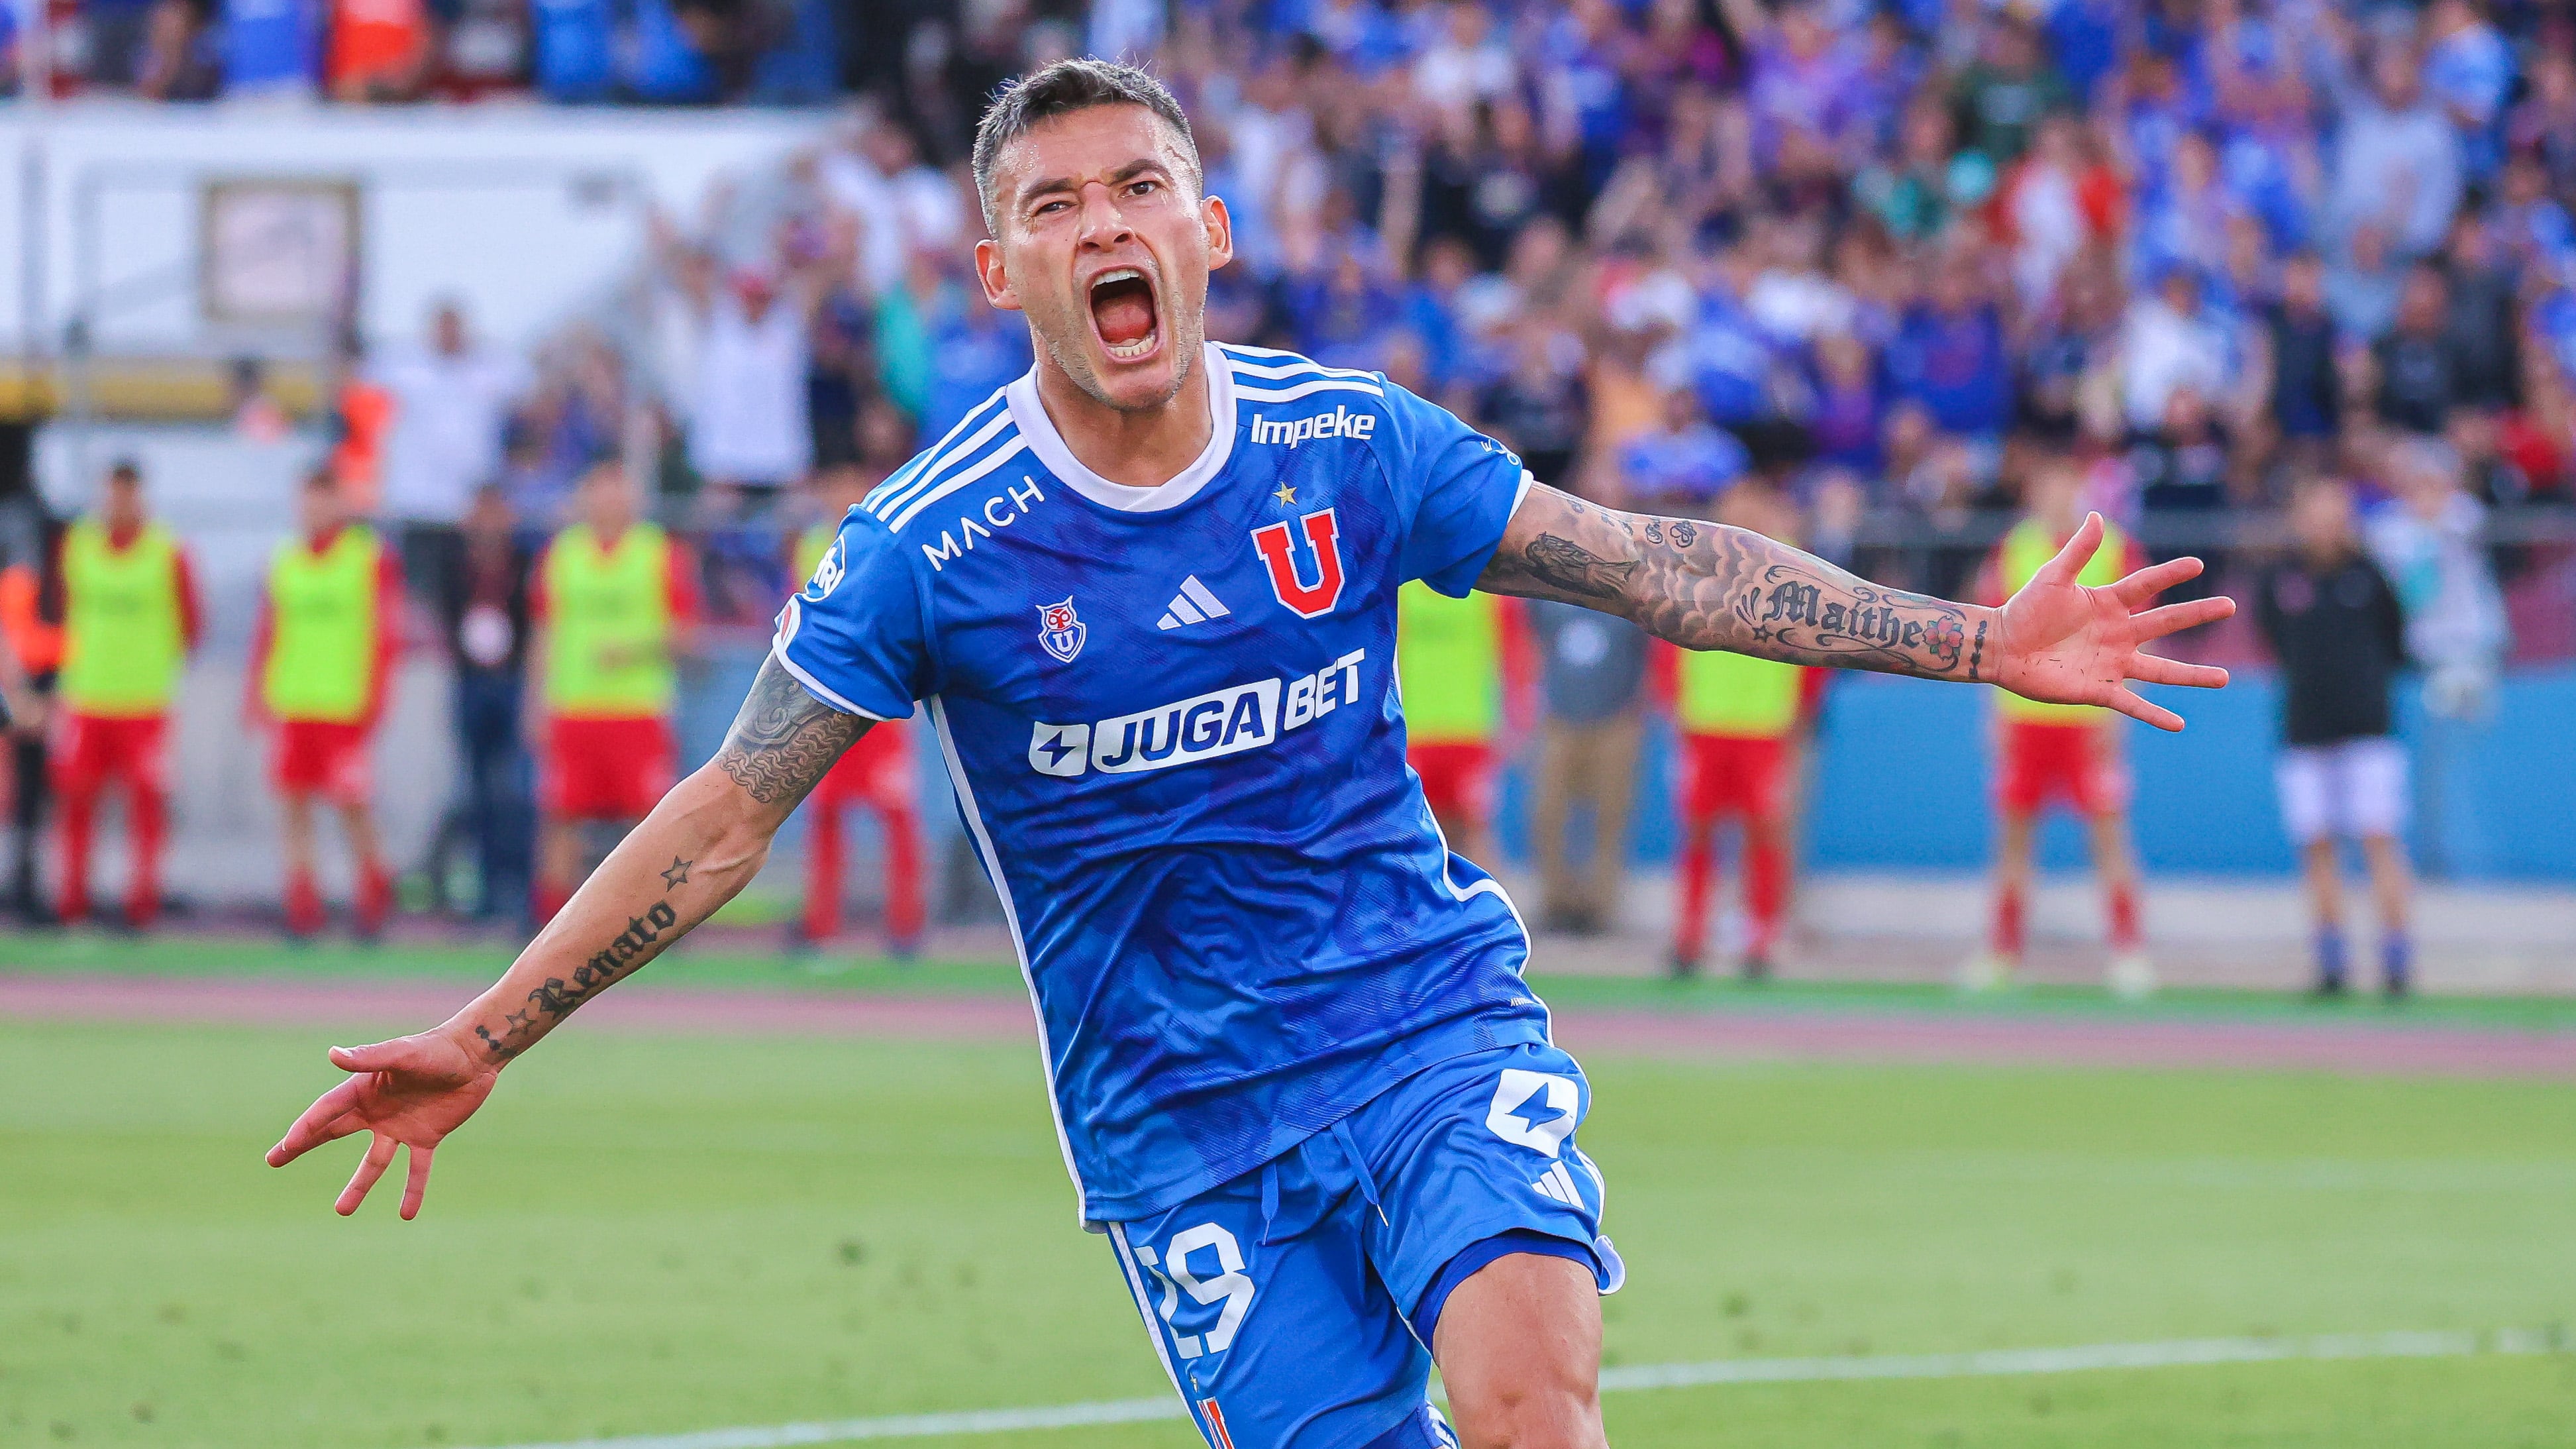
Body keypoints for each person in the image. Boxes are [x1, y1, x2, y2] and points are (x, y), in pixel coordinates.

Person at [269, 62, 2231, 1449]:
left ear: (1204, 228)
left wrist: (1978, 640)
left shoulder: (1350, 444)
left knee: (1532, 1404)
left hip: (1420, 1023)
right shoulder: (928, 547)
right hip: (1179, 1118)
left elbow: (1645, 567)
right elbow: (725, 814)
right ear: (995, 272)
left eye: (1134, 190)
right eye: (1050, 207)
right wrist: (494, 1027)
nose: (1099, 226)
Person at [1963, 458, 2155, 998]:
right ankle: (2003, 951)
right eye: (2047, 485)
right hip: (2026, 719)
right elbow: (1988, 637)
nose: (2057, 495)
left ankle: (2127, 951)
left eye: (2067, 485)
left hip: (2086, 719)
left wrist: (2123, 713)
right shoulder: (2015, 546)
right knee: (2013, 843)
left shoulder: (2115, 549)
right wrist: (1992, 714)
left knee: (2109, 839)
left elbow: (2141, 636)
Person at [2255, 477, 2414, 997]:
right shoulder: (2281, 579)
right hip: (2304, 730)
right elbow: (2274, 639)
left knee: (2377, 838)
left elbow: (2395, 640)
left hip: (2367, 729)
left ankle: (2394, 960)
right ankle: (2330, 961)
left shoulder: (2370, 576)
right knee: (2316, 844)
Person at [527, 460, 700, 924]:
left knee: (650, 826)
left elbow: (686, 637)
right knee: (560, 819)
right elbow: (544, 631)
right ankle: (552, 923)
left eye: (617, 489)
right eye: (598, 489)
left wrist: (634, 651)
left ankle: (654, 920)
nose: (608, 499)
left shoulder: (658, 552)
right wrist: (535, 702)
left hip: (637, 709)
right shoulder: (562, 553)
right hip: (575, 707)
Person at [246, 468, 405, 939]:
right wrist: (257, 692)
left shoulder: (368, 558)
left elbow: (385, 634)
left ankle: (373, 899)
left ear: (340, 502)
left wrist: (376, 700)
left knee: (353, 808)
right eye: (307, 501)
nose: (313, 510)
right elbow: (270, 630)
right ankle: (302, 906)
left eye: (322, 500)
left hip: (343, 705)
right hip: (294, 702)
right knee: (294, 809)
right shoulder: (286, 560)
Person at [1661, 484, 1808, 981]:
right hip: (1705, 722)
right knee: (1699, 833)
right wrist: (1673, 707)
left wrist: (1798, 712)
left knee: (1764, 835)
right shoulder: (1694, 562)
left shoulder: (1793, 566)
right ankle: (1690, 936)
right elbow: (1665, 633)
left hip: (1764, 725)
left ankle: (1761, 938)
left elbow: (1814, 650)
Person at [54, 460, 201, 930]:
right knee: (77, 803)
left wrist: (154, 665)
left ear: (140, 495)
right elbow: (63, 611)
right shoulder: (78, 545)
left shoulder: (166, 549)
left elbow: (191, 623)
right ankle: (73, 903)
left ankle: (142, 905)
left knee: (146, 806)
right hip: (87, 696)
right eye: (111, 493)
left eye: (126, 493)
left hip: (144, 701)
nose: (117, 503)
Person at [788, 463, 925, 957]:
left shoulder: (893, 543)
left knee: (897, 817)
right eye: (835, 485)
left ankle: (905, 928)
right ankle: (821, 927)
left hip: (881, 711)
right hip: (825, 709)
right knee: (825, 818)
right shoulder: (810, 546)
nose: (843, 494)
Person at [427, 484, 538, 924]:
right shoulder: (455, 563)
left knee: (516, 790)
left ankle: (520, 890)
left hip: (511, 682)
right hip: (471, 682)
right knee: (476, 790)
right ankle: (486, 890)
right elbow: (446, 615)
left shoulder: (524, 561)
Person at [1394, 580, 1519, 865]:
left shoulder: (1489, 592)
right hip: (1416, 731)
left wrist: (1514, 718)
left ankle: (1495, 908)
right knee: (1423, 833)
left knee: (1477, 832)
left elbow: (1512, 653)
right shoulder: (1403, 588)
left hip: (1471, 730)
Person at [0, 527, 62, 923]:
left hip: (34, 700)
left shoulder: (45, 592)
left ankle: (27, 882)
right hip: (23, 699)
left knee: (32, 804)